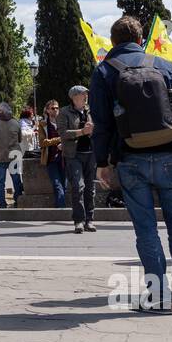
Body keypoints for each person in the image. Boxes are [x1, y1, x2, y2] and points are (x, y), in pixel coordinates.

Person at [90, 16, 172, 311]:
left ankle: (158, 294)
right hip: (169, 155)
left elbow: (101, 123)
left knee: (146, 229)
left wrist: (102, 162)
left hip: (130, 158)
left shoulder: (104, 71)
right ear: (140, 39)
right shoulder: (162, 65)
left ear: (113, 42)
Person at [59, 86, 97, 232]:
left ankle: (90, 220)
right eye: (83, 94)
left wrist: (94, 129)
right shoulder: (64, 112)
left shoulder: (91, 111)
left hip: (91, 153)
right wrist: (82, 131)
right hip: (73, 155)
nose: (86, 96)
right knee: (78, 187)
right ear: (74, 97)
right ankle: (79, 220)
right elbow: (63, 133)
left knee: (90, 188)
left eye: (86, 94)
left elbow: (100, 127)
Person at [0, 101, 23, 209]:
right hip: (14, 155)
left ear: (1, 112)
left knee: (0, 182)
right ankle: (17, 200)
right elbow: (20, 139)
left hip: (0, 156)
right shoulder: (16, 122)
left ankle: (2, 204)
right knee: (16, 180)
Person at [37, 101, 67, 208]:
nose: (55, 110)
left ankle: (58, 208)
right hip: (50, 159)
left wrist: (63, 144)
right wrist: (58, 140)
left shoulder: (64, 121)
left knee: (63, 186)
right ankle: (62, 210)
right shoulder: (43, 124)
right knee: (57, 184)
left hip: (65, 158)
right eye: (53, 108)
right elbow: (42, 142)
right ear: (47, 110)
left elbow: (70, 137)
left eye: (57, 108)